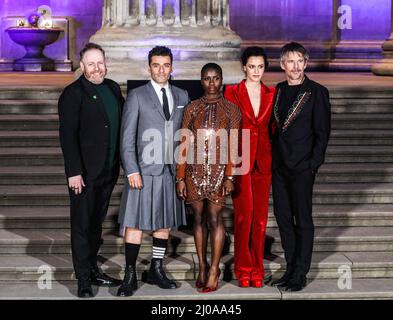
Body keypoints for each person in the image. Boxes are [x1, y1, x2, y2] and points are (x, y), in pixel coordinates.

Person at [117, 46, 190, 297]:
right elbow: (126, 138)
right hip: (143, 172)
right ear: (149, 67)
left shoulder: (182, 96)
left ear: (172, 67)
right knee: (134, 224)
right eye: (156, 65)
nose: (161, 70)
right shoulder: (137, 96)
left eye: (166, 65)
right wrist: (131, 170)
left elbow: (184, 137)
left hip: (170, 173)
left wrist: (183, 171)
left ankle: (156, 268)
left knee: (164, 223)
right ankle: (129, 274)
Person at [58, 42, 124, 298]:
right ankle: (83, 279)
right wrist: (73, 171)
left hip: (108, 171)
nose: (97, 69)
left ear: (105, 63)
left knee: (96, 224)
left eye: (100, 63)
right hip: (83, 174)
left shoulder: (112, 88)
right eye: (91, 64)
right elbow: (67, 136)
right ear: (82, 66)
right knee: (82, 226)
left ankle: (94, 269)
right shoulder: (73, 94)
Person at [270, 42, 331, 292]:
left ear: (305, 63)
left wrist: (312, 165)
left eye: (299, 61)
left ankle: (300, 273)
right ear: (283, 64)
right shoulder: (279, 90)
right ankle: (290, 267)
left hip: (303, 167)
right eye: (290, 61)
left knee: (302, 219)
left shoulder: (317, 92)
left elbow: (322, 132)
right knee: (283, 219)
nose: (295, 66)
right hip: (280, 167)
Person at [176, 63, 242, 293]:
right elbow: (184, 144)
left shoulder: (231, 110)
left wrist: (230, 176)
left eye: (216, 78)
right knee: (197, 219)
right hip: (194, 172)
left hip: (219, 172)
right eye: (207, 79)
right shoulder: (192, 108)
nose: (211, 83)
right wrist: (180, 177)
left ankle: (214, 269)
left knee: (215, 219)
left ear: (222, 80)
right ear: (201, 81)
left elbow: (233, 146)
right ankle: (202, 266)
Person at [224, 47, 276, 288]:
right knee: (244, 216)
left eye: (261, 67)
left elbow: (273, 129)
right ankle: (243, 268)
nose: (256, 71)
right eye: (252, 66)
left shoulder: (271, 93)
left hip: (264, 161)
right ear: (244, 66)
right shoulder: (232, 92)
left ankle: (258, 267)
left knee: (260, 219)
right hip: (240, 161)